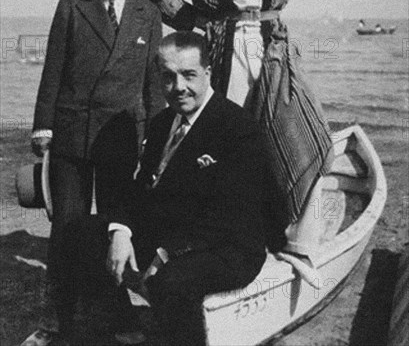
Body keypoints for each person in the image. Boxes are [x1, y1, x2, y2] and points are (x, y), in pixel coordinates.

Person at [142, 0, 356, 234]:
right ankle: (225, 229)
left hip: (273, 51)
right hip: (223, 52)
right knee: (230, 139)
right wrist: (192, 21)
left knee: (302, 137)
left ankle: (287, 231)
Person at [65, 31, 274, 346]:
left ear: (208, 72)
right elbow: (139, 192)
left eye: (188, 75)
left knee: (172, 281)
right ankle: (125, 326)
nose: (178, 87)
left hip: (228, 247)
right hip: (171, 232)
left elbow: (231, 217)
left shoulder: (238, 129)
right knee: (83, 232)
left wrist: (165, 253)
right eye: (167, 77)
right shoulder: (163, 122)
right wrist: (120, 232)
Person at [22, 0, 164, 346]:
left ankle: (116, 309)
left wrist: (157, 144)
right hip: (72, 136)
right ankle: (56, 320)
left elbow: (153, 89)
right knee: (67, 227)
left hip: (122, 141)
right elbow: (53, 71)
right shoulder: (72, 5)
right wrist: (42, 125)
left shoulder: (149, 14)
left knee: (116, 228)